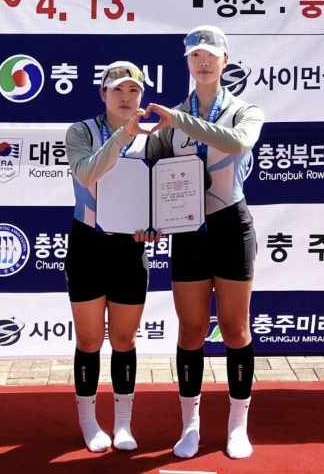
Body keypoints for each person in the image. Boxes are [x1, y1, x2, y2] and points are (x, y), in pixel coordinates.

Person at [146, 25, 264, 460]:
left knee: (234, 329)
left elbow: (238, 142)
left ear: (224, 60)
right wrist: (148, 220)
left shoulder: (245, 111)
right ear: (188, 62)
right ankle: (190, 424)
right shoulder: (171, 119)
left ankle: (237, 424)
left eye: (211, 55)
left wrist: (177, 120)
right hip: (189, 232)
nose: (203, 62)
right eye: (195, 55)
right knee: (192, 330)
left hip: (231, 225)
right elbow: (151, 175)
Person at [64, 61, 156, 453]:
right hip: (88, 244)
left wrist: (156, 223)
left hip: (129, 247)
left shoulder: (154, 137)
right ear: (103, 94)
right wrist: (122, 135)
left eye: (134, 90)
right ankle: (88, 422)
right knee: (89, 340)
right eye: (117, 89)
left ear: (142, 96)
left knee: (123, 339)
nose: (126, 97)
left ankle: (123, 423)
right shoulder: (81, 131)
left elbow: (162, 190)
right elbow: (87, 174)